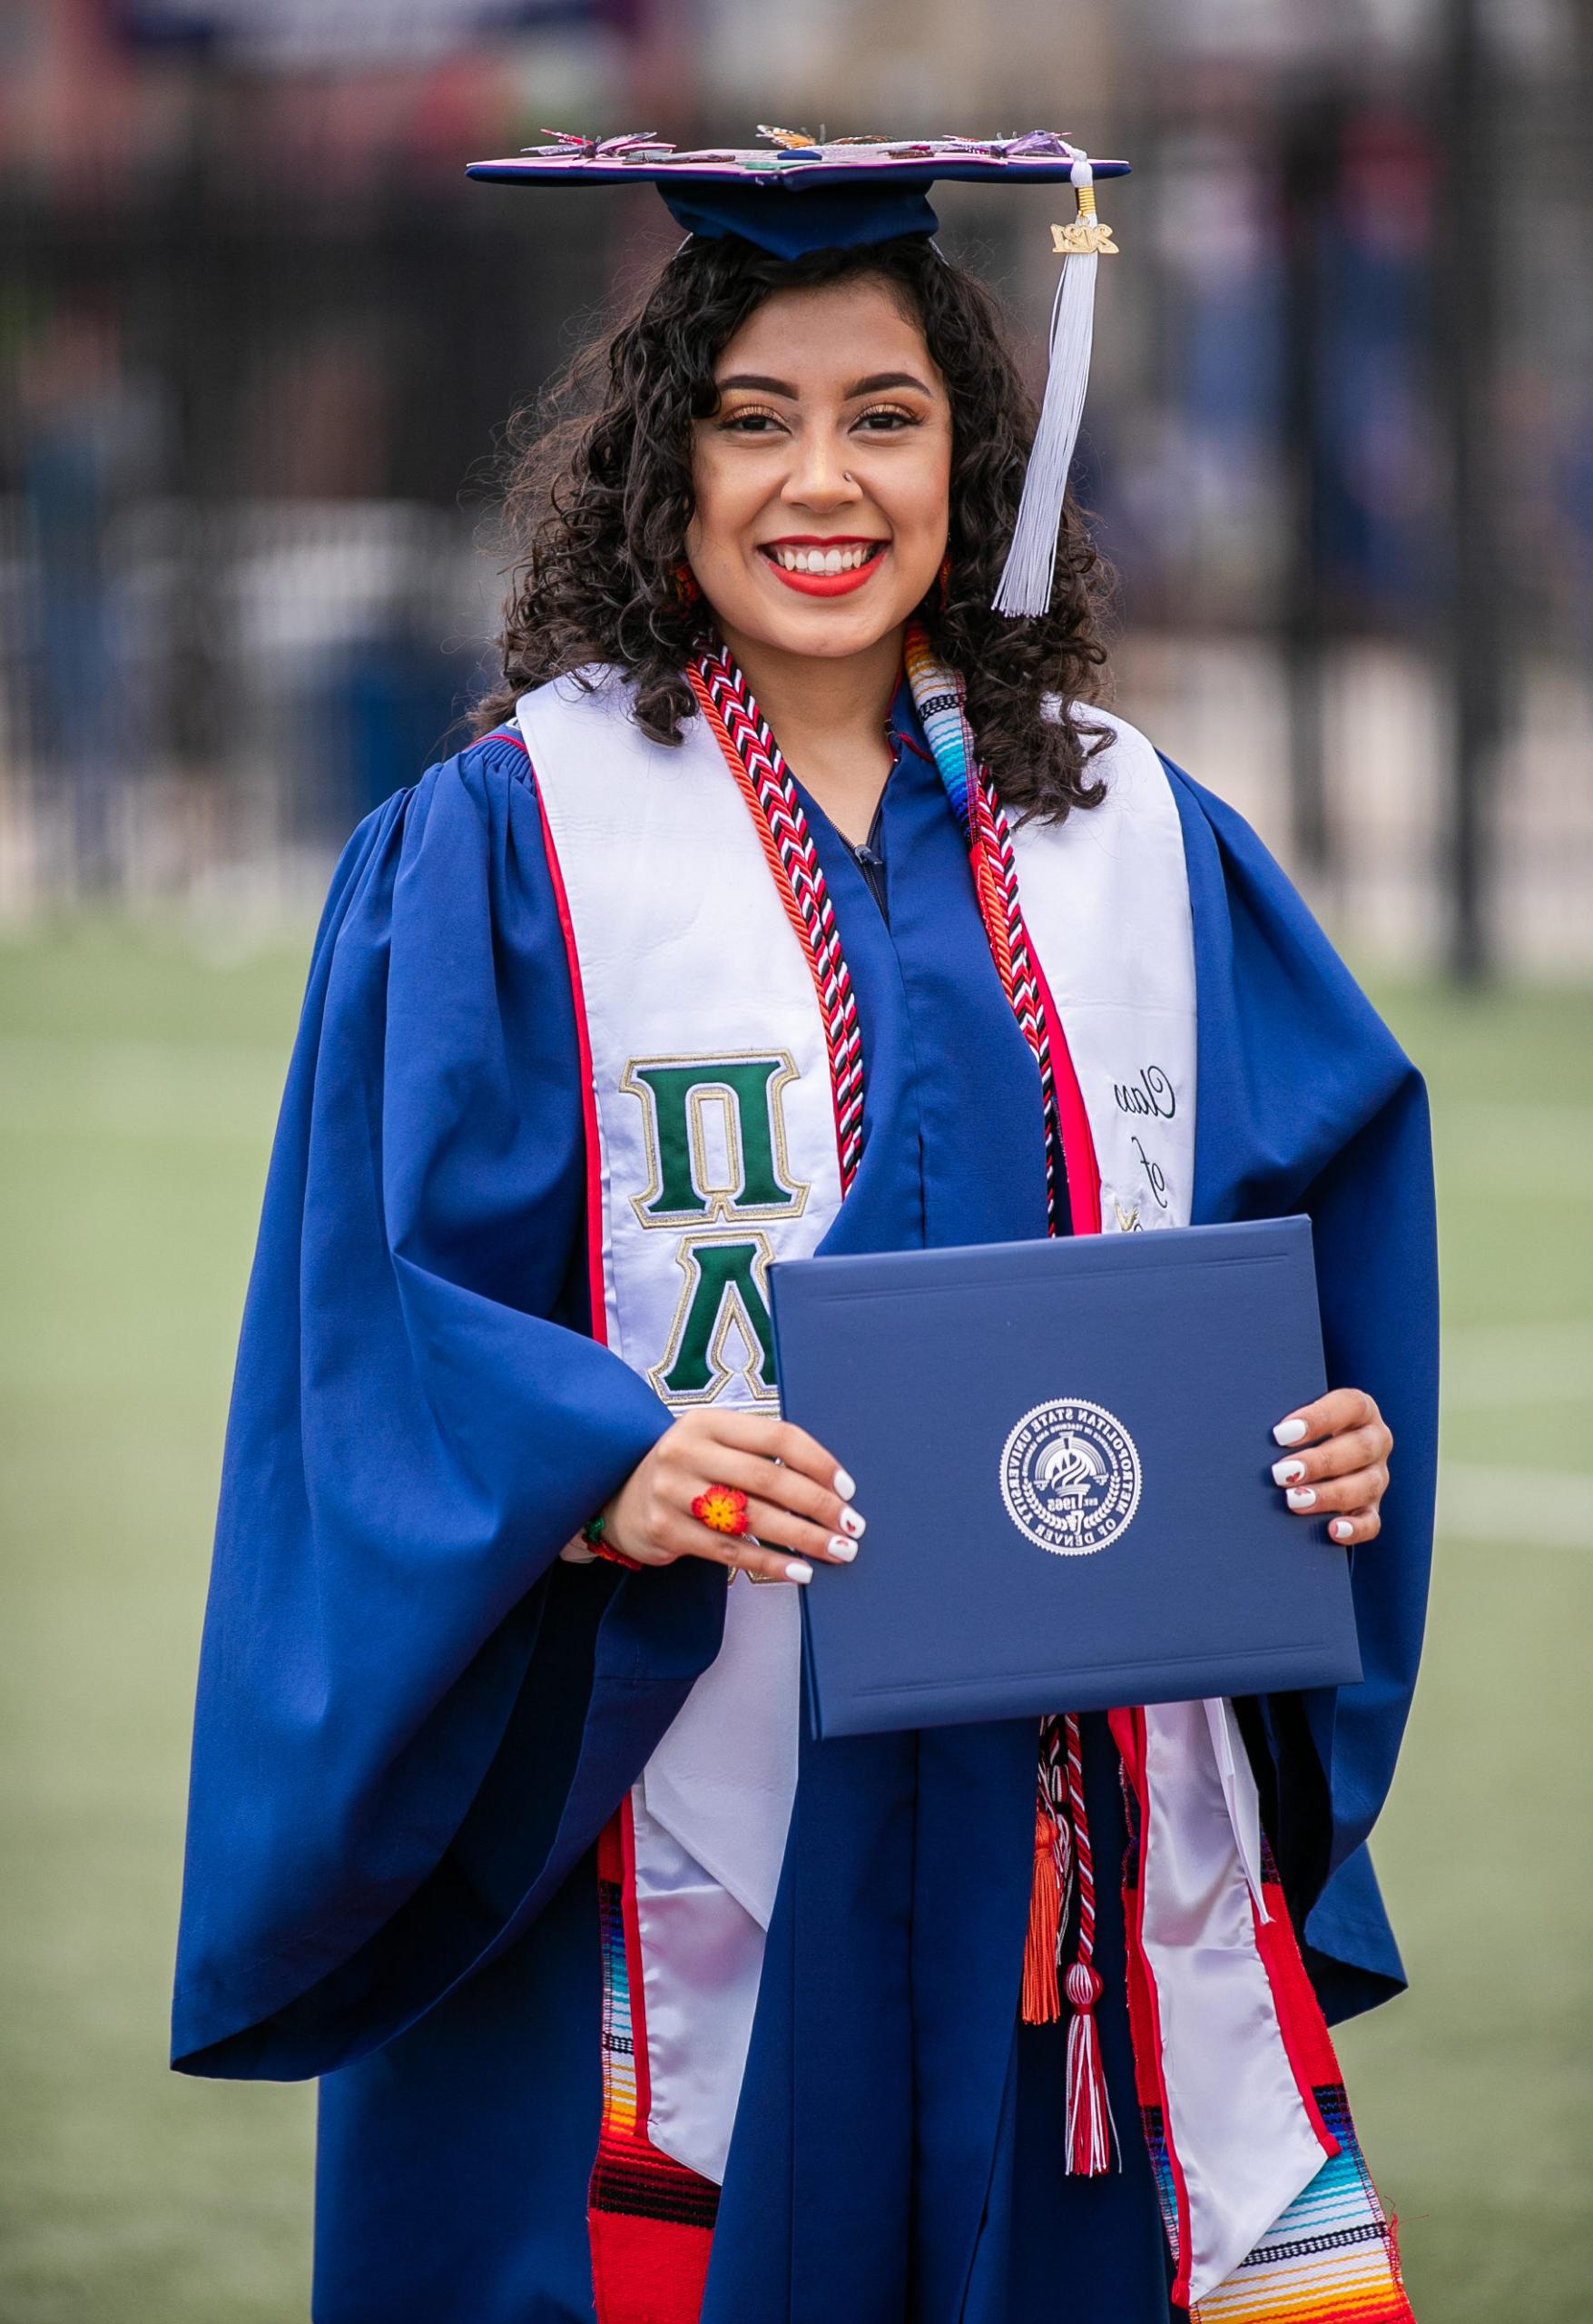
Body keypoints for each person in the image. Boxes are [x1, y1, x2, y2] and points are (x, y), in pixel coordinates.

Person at [172, 133, 1436, 2324]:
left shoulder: (1135, 839)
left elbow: (1300, 1252)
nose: (817, 481)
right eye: (752, 419)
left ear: (974, 463)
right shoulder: (511, 841)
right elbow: (370, 1307)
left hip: (1054, 1809)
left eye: (883, 416)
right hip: (656, 1781)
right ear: (665, 467)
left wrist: (1324, 1441)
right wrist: (597, 1460)